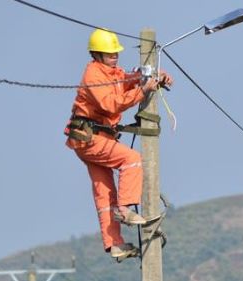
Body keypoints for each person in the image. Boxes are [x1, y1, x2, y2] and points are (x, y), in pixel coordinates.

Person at [65, 28, 173, 261]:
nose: (115, 56)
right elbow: (111, 105)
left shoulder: (110, 71)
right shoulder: (93, 75)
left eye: (116, 53)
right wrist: (142, 92)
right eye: (110, 53)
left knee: (104, 193)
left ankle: (115, 244)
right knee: (131, 160)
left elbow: (127, 78)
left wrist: (155, 76)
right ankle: (124, 210)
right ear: (97, 54)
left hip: (93, 138)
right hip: (89, 138)